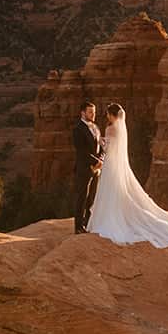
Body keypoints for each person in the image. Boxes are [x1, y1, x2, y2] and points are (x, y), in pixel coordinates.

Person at [86, 103, 168, 248]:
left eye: (108, 114)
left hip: (110, 164)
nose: (107, 116)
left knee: (109, 190)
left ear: (112, 115)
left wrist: (99, 141)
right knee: (117, 189)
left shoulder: (110, 128)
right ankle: (120, 215)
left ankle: (109, 218)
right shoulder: (121, 129)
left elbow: (107, 148)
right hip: (117, 164)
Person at [71, 100, 103, 235]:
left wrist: (101, 159)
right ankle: (78, 227)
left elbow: (101, 146)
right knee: (82, 197)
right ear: (82, 113)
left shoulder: (95, 127)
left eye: (94, 112)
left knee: (92, 197)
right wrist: (95, 162)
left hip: (97, 168)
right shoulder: (78, 129)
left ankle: (87, 224)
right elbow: (81, 150)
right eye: (90, 112)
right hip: (84, 168)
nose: (93, 114)